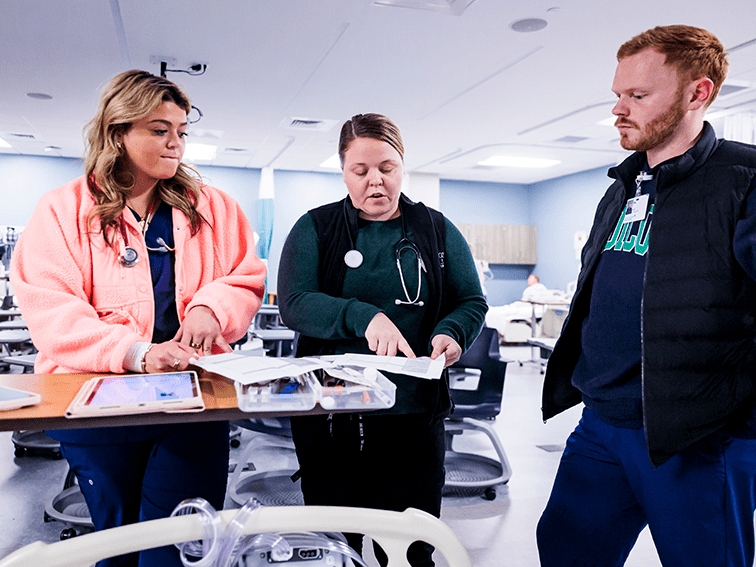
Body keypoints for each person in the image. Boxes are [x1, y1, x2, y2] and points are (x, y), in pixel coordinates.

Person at [11, 70, 266, 567]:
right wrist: (137, 353)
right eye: (159, 129)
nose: (176, 143)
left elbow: (246, 276)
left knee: (180, 544)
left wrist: (213, 307)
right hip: (98, 407)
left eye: (181, 131)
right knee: (117, 543)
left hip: (193, 403)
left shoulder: (212, 209)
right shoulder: (63, 211)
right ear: (117, 132)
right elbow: (52, 308)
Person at [537, 25, 756, 567]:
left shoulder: (743, 179)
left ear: (697, 93)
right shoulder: (624, 185)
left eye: (637, 96)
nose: (619, 109)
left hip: (694, 437)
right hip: (602, 424)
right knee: (565, 549)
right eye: (617, 95)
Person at [277, 113, 487, 567]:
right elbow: (293, 302)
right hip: (333, 418)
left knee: (411, 549)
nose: (376, 181)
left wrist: (452, 333)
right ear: (343, 171)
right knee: (339, 547)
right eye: (361, 170)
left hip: (412, 416)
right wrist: (361, 315)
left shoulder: (435, 231)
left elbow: (470, 301)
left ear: (402, 166)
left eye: (387, 169)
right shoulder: (315, 229)